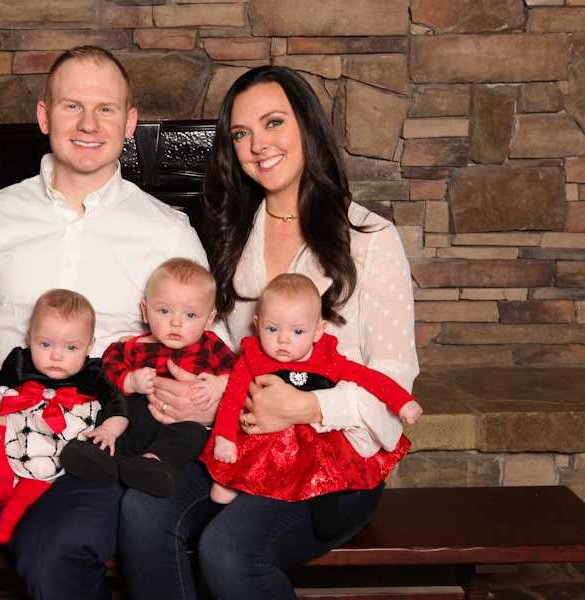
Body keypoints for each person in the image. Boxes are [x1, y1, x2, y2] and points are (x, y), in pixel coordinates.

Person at [0, 45, 209, 600]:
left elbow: (207, 339)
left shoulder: (167, 230)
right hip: (0, 418)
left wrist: (192, 400)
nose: (89, 124)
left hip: (101, 433)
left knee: (56, 552)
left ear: (130, 122)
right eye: (71, 107)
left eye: (106, 109)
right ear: (45, 116)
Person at [119, 65, 421, 600]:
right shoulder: (227, 233)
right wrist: (193, 391)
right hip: (240, 443)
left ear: (306, 126)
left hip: (334, 459)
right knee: (143, 510)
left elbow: (394, 374)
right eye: (241, 134)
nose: (258, 145)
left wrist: (309, 408)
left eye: (274, 123)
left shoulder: (371, 238)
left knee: (229, 550)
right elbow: (217, 347)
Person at [200, 272, 420, 538]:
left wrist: (402, 402)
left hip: (313, 436)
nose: (283, 339)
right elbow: (232, 399)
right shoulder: (252, 359)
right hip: (264, 438)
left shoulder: (327, 360)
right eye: (272, 329)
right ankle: (222, 503)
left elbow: (370, 379)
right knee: (230, 478)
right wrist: (224, 437)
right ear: (257, 324)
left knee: (323, 470)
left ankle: (327, 515)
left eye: (297, 331)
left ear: (318, 331)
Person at [61, 257, 234, 498]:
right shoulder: (133, 346)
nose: (175, 322)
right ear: (146, 311)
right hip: (138, 415)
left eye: (190, 315)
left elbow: (238, 372)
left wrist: (220, 384)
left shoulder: (212, 346)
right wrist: (129, 381)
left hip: (182, 422)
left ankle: (154, 463)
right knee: (120, 412)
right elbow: (108, 364)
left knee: (192, 435)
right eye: (163, 310)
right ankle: (102, 455)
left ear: (209, 319)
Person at [0, 289, 127, 544]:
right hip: (23, 426)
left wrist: (109, 429)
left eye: (71, 347)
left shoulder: (92, 372)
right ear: (30, 339)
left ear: (89, 346)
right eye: (45, 344)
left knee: (40, 478)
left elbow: (117, 404)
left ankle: (7, 525)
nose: (56, 355)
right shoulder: (21, 362)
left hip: (62, 438)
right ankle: (0, 480)